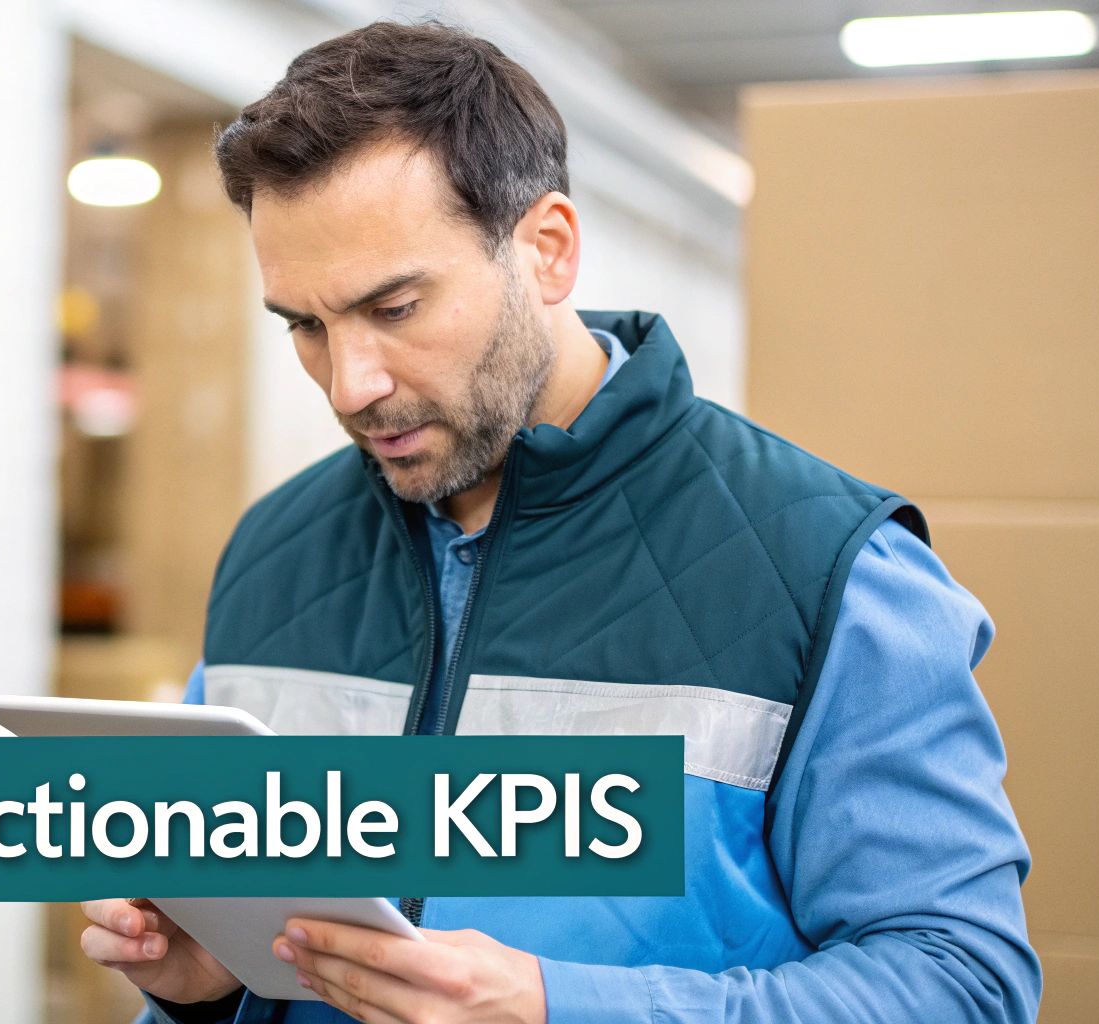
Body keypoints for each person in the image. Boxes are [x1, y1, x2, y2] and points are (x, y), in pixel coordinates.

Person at [81, 20, 1041, 1024]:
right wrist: (204, 990)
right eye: (305, 326)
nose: (350, 383)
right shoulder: (272, 555)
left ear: (545, 250)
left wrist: (556, 1007)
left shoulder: (826, 567)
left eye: (396, 307)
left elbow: (960, 985)